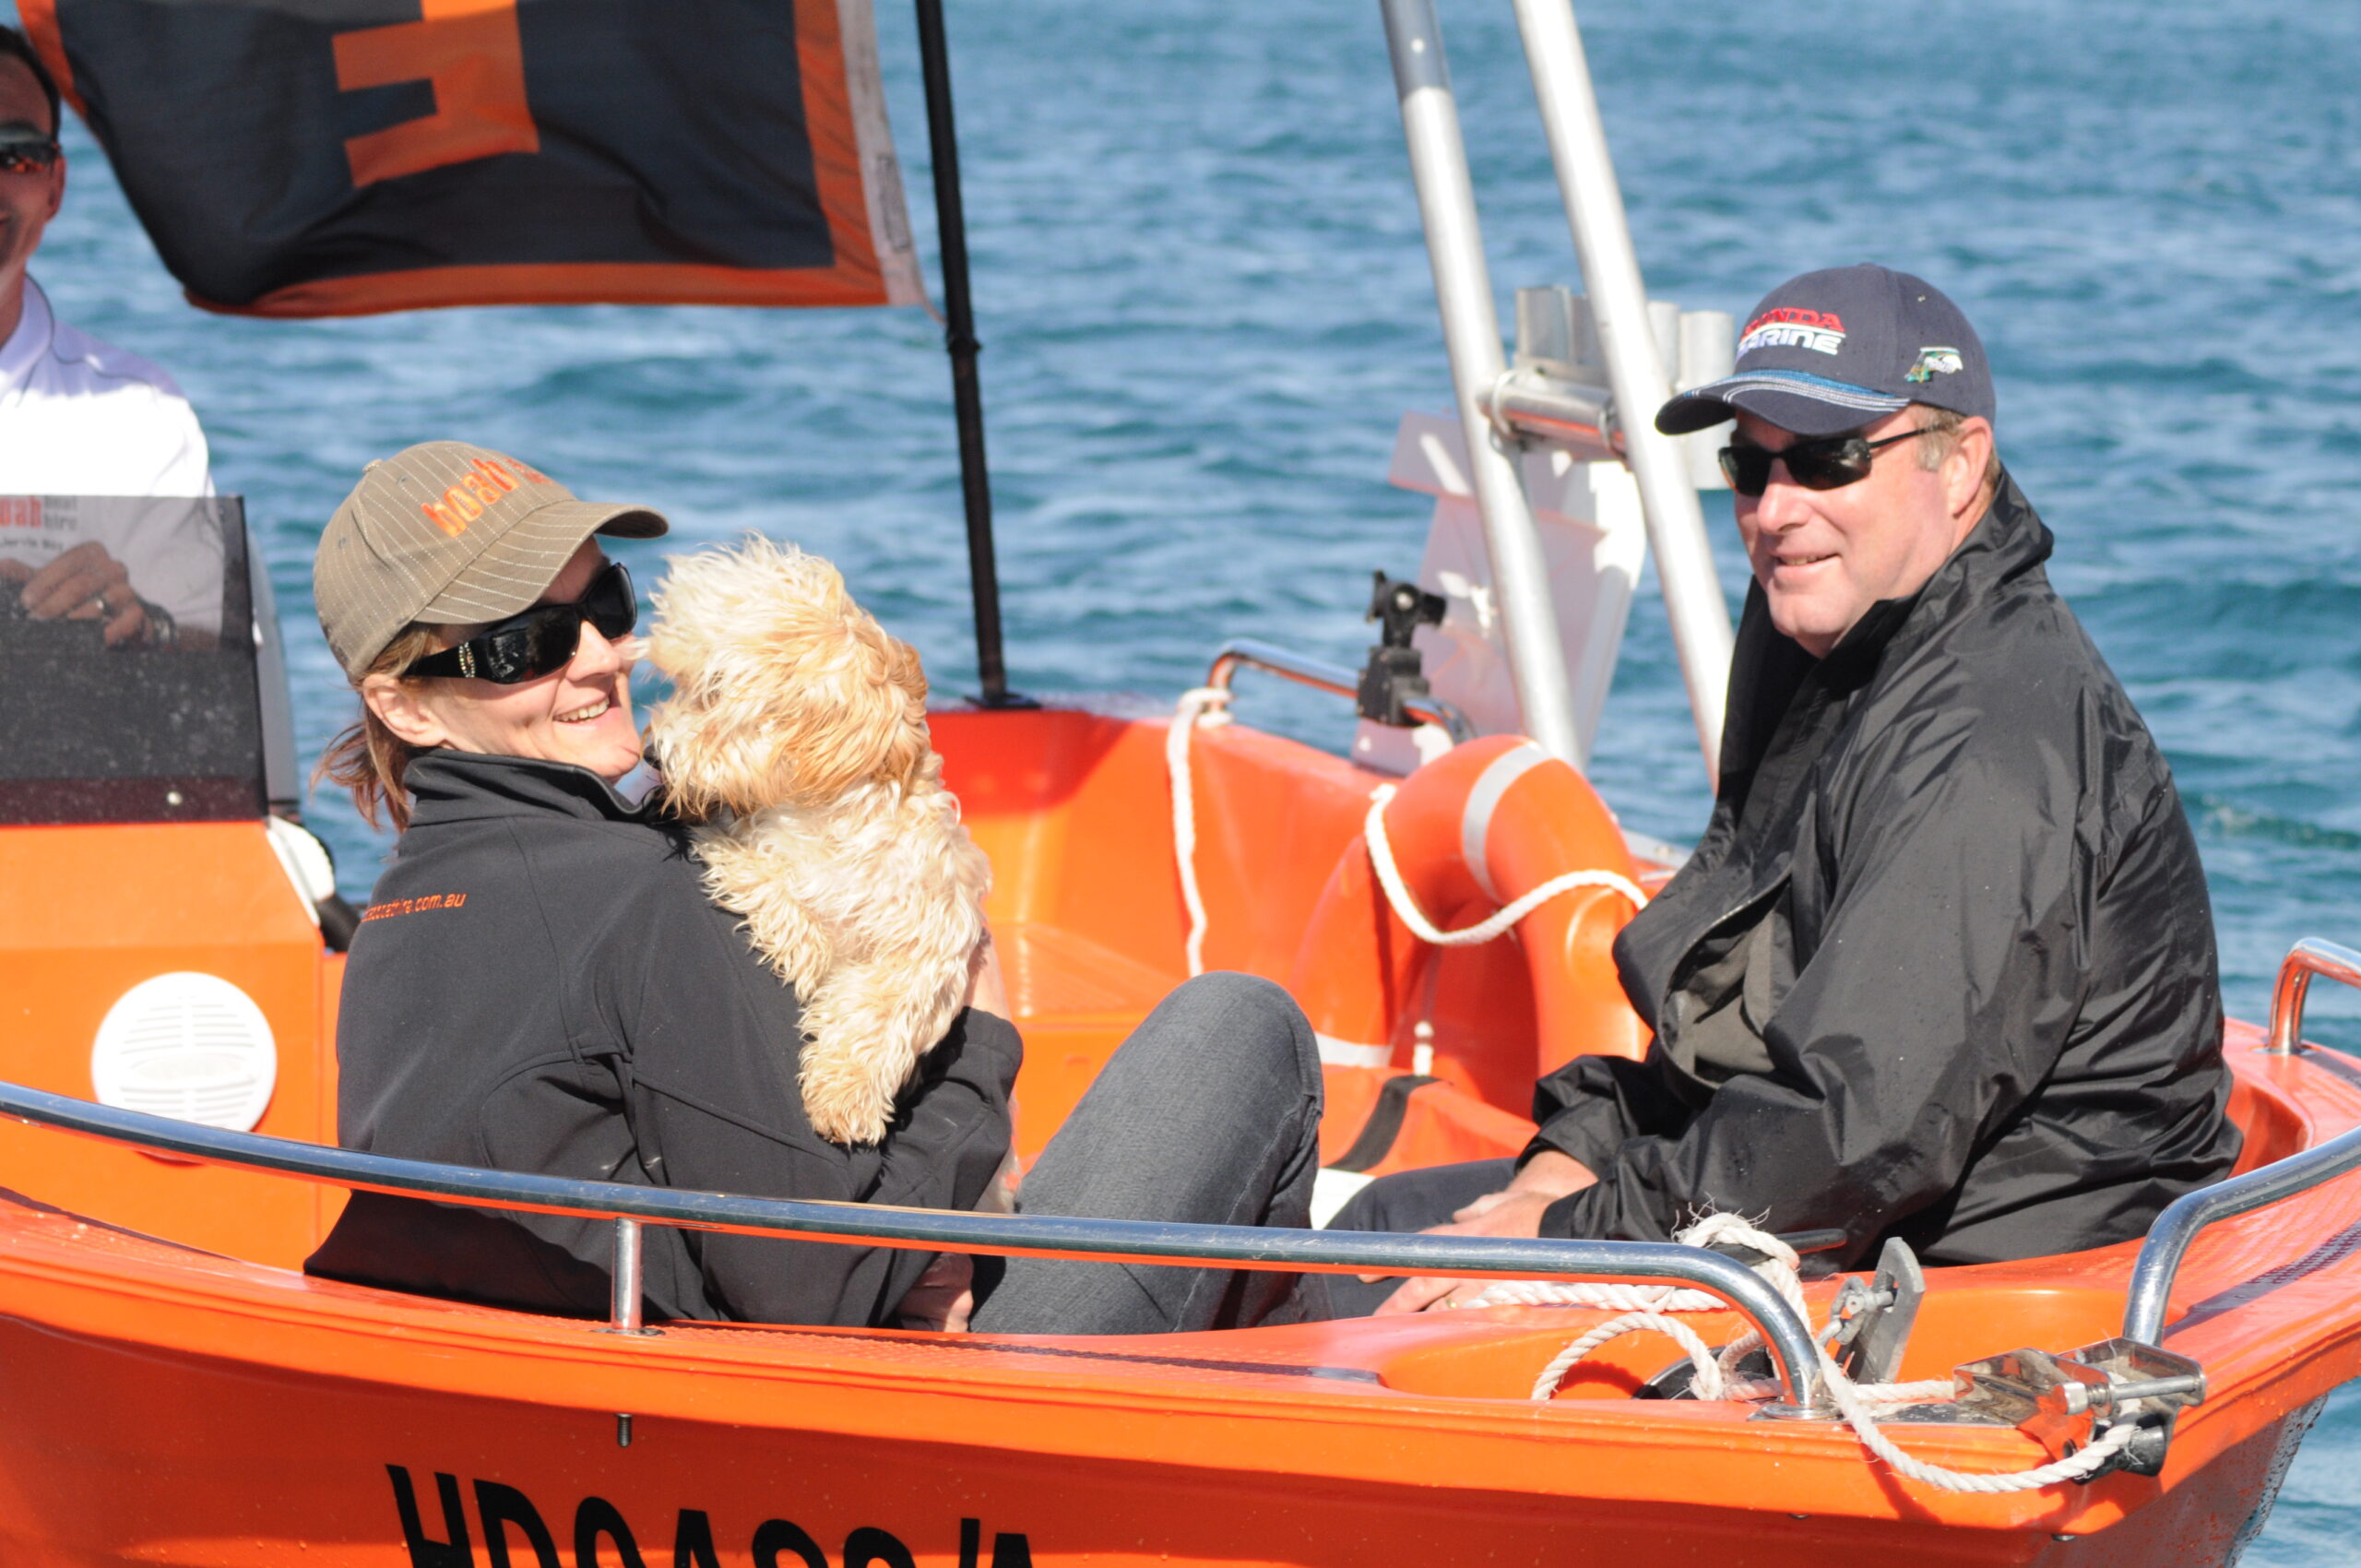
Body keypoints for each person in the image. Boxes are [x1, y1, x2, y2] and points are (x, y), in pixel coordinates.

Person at [1327, 265, 2239, 1313]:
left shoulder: (1988, 739)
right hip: (1829, 1207)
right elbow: (1754, 1026)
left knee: (1376, 1299)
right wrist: (1570, 1157)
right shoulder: (1839, 639)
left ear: (1959, 467)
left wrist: (1564, 1236)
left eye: (1825, 458)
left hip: (1965, 1287)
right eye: (1747, 469)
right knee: (1378, 1227)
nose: (1774, 510)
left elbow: (1858, 1127)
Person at [302, 442, 1324, 1334]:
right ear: (408, 707)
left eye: (605, 603)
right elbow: (812, 1278)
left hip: (589, 1398)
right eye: (525, 642)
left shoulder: (397, 916)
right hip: (868, 1419)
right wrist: (982, 1039)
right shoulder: (641, 892)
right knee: (1241, 1025)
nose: (606, 655)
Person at [0, 25, 219, 648]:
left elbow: (211, 665)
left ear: (55, 186)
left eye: (12, 153)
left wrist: (143, 625)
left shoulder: (139, 415)